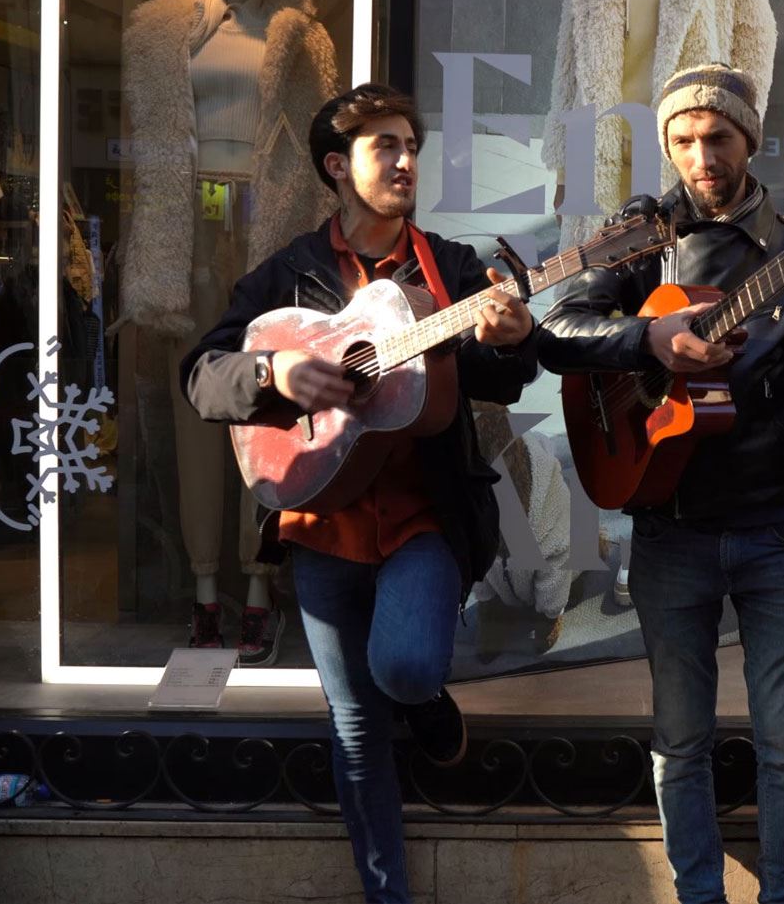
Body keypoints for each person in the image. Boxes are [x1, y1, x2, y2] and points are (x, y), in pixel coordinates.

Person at [539, 63, 784, 904]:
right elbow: (558, 331)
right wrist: (650, 343)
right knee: (680, 735)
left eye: (717, 137)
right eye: (683, 140)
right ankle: (698, 894)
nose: (700, 155)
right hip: (671, 524)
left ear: (750, 139)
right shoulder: (643, 234)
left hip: (776, 523)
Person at [181, 83, 538, 903]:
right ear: (338, 167)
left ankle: (426, 699)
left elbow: (506, 371)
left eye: (413, 144)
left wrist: (516, 339)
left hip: (423, 518)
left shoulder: (450, 267)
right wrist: (272, 373)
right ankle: (388, 895)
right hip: (319, 518)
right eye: (388, 147)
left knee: (406, 666)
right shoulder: (290, 273)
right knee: (353, 729)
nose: (408, 159)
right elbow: (202, 371)